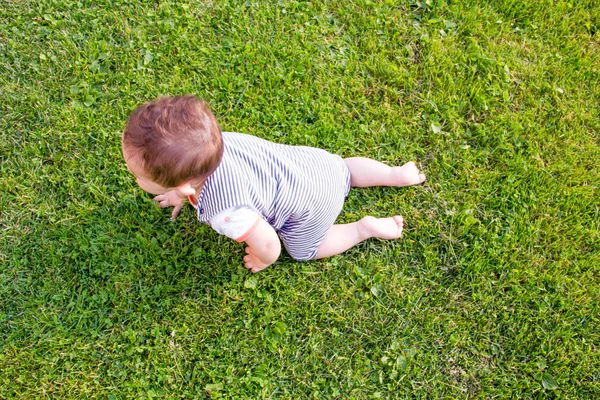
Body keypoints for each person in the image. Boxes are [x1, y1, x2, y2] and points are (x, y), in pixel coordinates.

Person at [122, 95, 426, 273]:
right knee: (345, 168)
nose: (135, 178)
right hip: (317, 167)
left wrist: (263, 258)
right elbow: (191, 175)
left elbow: (269, 242)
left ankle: (362, 229)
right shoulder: (213, 144)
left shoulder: (226, 211)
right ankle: (393, 175)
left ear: (188, 186)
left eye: (140, 178)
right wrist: (178, 190)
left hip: (311, 208)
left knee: (304, 250)